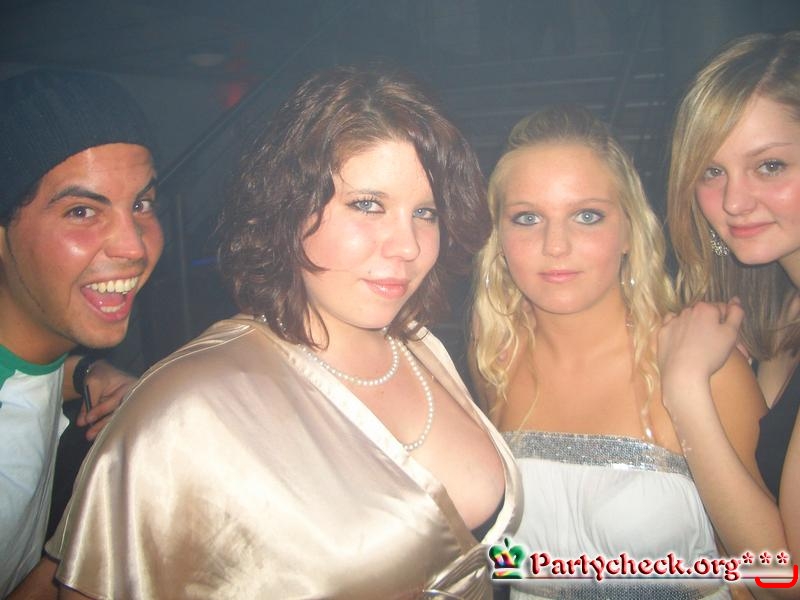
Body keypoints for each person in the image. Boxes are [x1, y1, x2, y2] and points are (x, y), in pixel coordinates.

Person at [42, 65, 520, 599]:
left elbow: (489, 554)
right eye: (368, 205)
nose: (407, 246)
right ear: (288, 207)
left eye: (425, 212)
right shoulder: (186, 407)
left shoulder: (423, 347)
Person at [470, 105, 765, 598]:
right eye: (527, 218)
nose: (555, 245)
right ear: (499, 240)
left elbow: (773, 578)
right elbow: (501, 560)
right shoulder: (495, 361)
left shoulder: (706, 368)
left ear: (630, 230)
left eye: (587, 216)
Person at [0, 68, 164, 596]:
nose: (133, 247)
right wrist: (91, 533)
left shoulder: (32, 357)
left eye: (141, 204)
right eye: (81, 211)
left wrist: (86, 373)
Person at [663, 30, 800, 596]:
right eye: (711, 171)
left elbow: (784, 581)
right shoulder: (779, 308)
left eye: (770, 166)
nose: (734, 202)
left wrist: (684, 386)